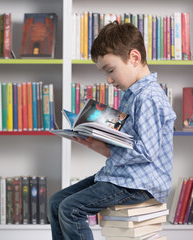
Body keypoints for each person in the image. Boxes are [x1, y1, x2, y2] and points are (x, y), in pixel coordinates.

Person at [49, 21, 176, 240]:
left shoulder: (149, 98)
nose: (108, 80)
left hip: (140, 183)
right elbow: (127, 137)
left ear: (134, 58)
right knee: (56, 202)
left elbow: (146, 152)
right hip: (122, 176)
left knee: (71, 209)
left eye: (110, 70)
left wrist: (106, 150)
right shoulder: (133, 94)